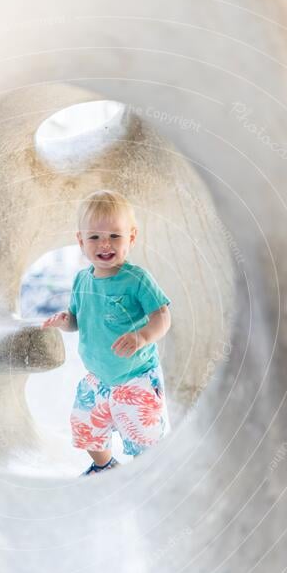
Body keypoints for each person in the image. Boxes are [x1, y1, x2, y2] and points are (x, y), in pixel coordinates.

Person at [42, 190, 172, 476]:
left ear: (131, 237)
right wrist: (65, 321)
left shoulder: (137, 279)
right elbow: (77, 319)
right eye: (94, 237)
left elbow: (162, 316)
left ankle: (149, 475)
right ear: (80, 241)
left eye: (115, 236)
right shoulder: (81, 280)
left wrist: (142, 337)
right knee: (85, 425)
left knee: (144, 438)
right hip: (98, 377)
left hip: (136, 377)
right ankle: (104, 466)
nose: (105, 244)